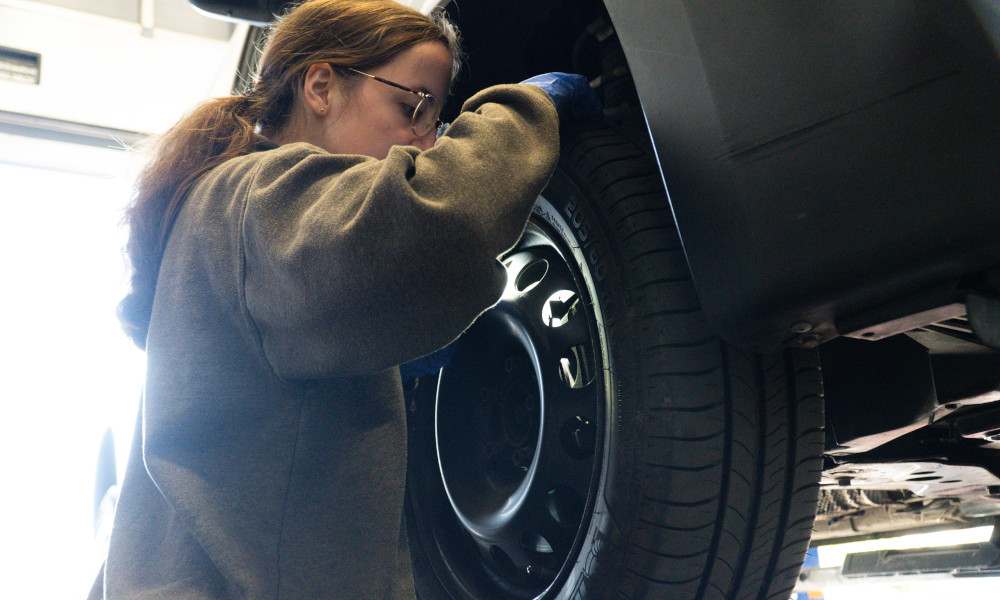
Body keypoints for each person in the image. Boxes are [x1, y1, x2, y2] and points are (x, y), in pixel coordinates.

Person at [87, 0, 599, 599]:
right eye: (414, 107)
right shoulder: (253, 196)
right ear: (322, 87)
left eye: (436, 119)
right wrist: (525, 109)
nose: (429, 141)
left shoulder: (221, 219)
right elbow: (436, 214)